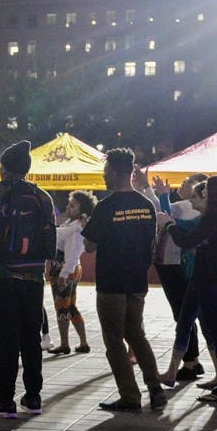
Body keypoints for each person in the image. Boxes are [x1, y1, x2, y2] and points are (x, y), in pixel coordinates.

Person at [0, 140, 56, 418]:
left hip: (0, 275)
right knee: (30, 337)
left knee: (7, 338)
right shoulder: (43, 197)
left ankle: (5, 399)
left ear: (3, 168)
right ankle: (33, 397)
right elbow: (49, 240)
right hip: (32, 277)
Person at [82, 148, 167, 412]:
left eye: (106, 171)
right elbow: (152, 243)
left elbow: (89, 246)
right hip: (137, 281)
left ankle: (130, 396)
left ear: (117, 173)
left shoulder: (105, 207)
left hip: (111, 283)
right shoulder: (146, 205)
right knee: (136, 334)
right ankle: (155, 388)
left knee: (114, 340)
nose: (104, 176)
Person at [159, 175, 217, 402]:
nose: (205, 194)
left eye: (208, 191)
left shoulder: (212, 216)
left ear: (215, 193)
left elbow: (187, 241)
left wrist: (168, 225)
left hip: (212, 281)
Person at [136, 168, 209, 381]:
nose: (183, 185)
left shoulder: (190, 208)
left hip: (175, 263)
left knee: (183, 313)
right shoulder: (187, 207)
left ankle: (190, 361)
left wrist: (153, 190)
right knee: (185, 313)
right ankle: (192, 361)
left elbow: (161, 213)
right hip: (171, 262)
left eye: (188, 183)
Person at [46, 190, 96, 355]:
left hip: (64, 268)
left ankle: (65, 343)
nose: (68, 207)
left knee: (62, 308)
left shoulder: (76, 229)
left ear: (82, 210)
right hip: (69, 268)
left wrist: (63, 275)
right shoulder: (71, 223)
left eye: (72, 205)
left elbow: (72, 253)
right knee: (71, 307)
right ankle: (83, 342)